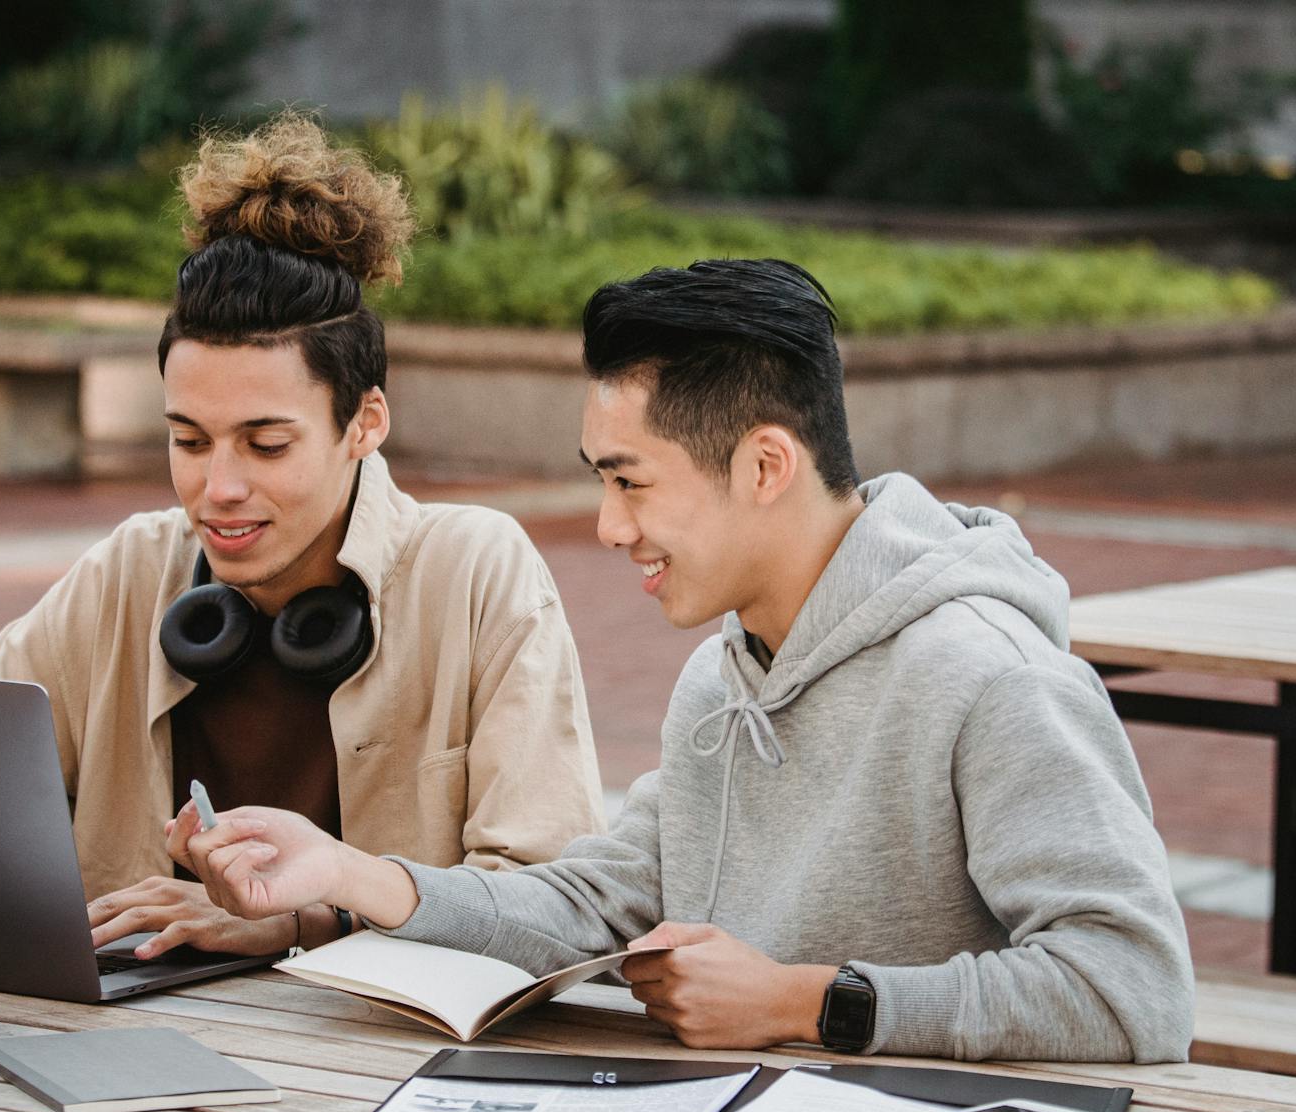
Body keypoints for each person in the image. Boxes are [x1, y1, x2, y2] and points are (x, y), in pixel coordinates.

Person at [171, 257, 1194, 1062]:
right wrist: (352, 874)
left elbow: (1132, 985)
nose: (610, 527)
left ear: (764, 465)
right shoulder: (724, 675)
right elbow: (586, 906)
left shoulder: (993, 678)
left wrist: (805, 999)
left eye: (631, 482)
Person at [0, 115, 604, 961]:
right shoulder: (129, 570)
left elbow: (551, 917)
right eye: (188, 441)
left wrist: (304, 919)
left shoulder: (476, 571)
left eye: (267, 445)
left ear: (364, 423)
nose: (217, 488)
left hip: (372, 1063)